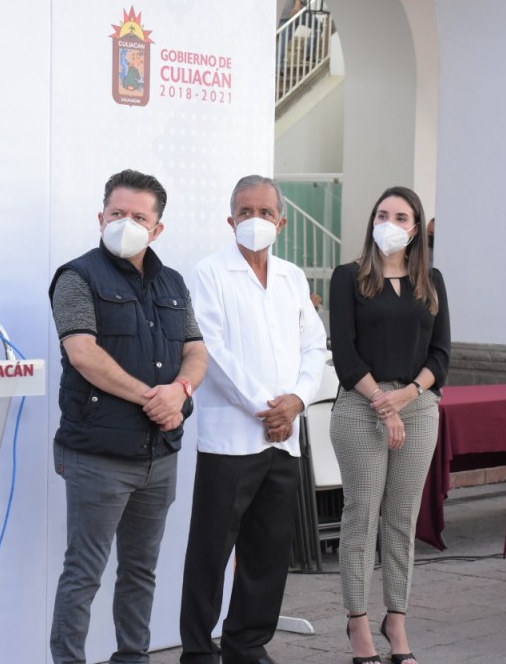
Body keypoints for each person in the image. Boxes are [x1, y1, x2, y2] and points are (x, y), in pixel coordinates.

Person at [49, 169, 208, 664]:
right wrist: (152, 399)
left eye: (139, 217)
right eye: (117, 213)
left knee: (141, 570)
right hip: (98, 455)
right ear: (100, 217)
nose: (126, 223)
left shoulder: (172, 282)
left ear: (157, 229)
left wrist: (180, 391)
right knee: (84, 572)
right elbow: (82, 354)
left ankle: (133, 657)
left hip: (158, 455)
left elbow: (196, 351)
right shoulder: (76, 278)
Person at [179, 175, 327, 664]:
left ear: (281, 223)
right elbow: (211, 351)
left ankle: (246, 645)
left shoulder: (292, 277)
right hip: (231, 439)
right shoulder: (209, 273)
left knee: (268, 550)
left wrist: (297, 401)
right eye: (245, 211)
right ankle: (198, 651)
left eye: (265, 212)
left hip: (283, 439)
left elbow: (314, 345)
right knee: (210, 551)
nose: (255, 220)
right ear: (230, 220)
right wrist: (270, 407)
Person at [328, 187, 450, 664]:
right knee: (361, 515)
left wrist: (408, 395)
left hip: (417, 407)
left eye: (401, 217)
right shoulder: (348, 277)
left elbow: (441, 354)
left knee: (402, 518)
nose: (389, 223)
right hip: (362, 405)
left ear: (415, 228)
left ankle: (395, 621)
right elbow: (344, 353)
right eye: (382, 214)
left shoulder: (431, 281)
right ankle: (358, 623)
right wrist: (383, 401)